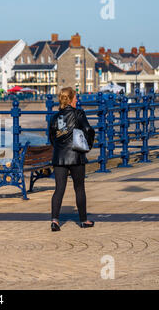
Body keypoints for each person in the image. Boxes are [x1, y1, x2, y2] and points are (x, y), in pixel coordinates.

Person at [48, 87, 95, 231]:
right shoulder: (78, 114)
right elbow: (88, 130)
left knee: (59, 189)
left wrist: (59, 147)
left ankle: (55, 221)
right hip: (76, 156)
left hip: (59, 157)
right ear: (70, 99)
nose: (77, 99)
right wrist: (88, 145)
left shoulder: (55, 117)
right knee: (79, 188)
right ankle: (83, 220)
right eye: (75, 97)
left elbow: (51, 136)